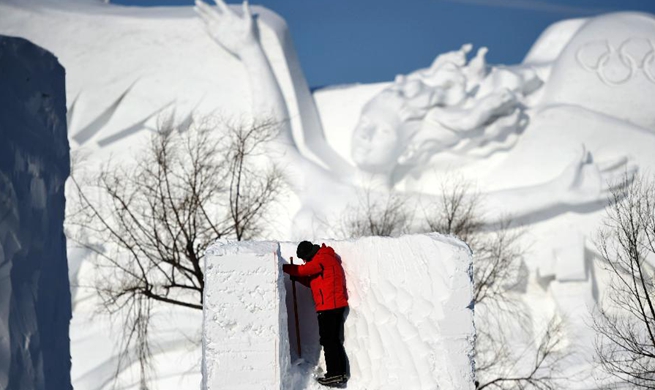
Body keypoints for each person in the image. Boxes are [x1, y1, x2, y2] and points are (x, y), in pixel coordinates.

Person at [282, 241, 349, 387]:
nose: (304, 262)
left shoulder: (323, 258)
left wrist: (285, 267)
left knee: (329, 341)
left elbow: (305, 270)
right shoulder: (323, 260)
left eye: (304, 259)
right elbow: (311, 280)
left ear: (308, 254)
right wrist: (297, 277)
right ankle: (340, 374)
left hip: (330, 306)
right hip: (332, 305)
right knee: (333, 341)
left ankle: (334, 374)